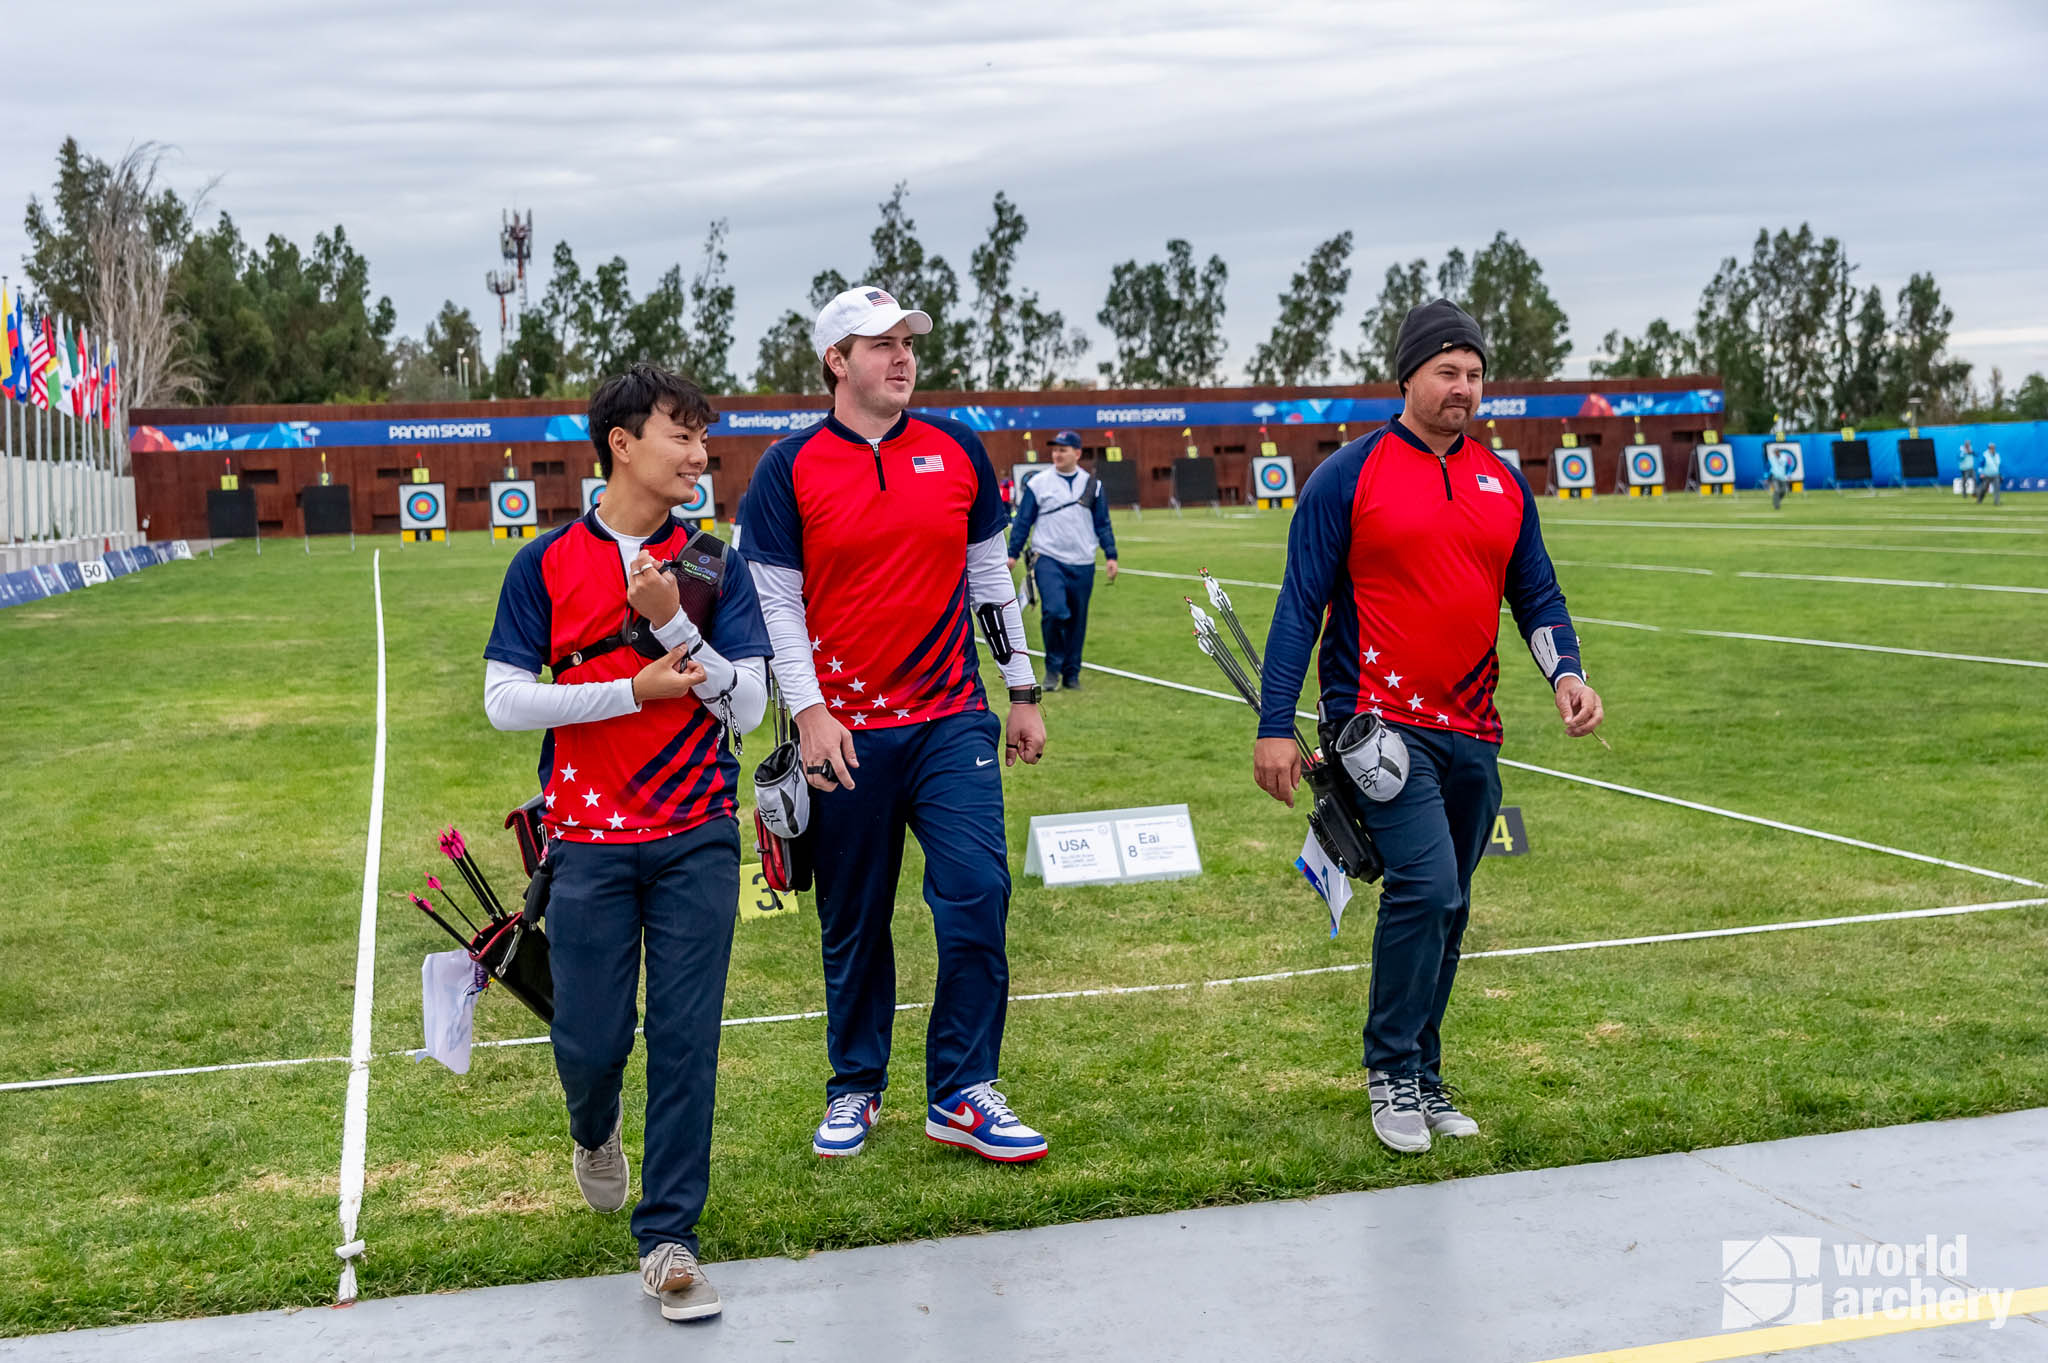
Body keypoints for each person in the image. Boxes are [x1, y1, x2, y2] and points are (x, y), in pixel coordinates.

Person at [1252, 299, 1604, 1155]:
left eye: (1476, 374)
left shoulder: (1500, 480)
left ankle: (1426, 1067)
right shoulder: (1350, 474)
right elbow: (1301, 605)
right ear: (1406, 376)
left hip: (1474, 729)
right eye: (1447, 372)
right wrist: (1275, 723)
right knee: (1427, 886)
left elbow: (1538, 594)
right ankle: (1390, 1071)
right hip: (1378, 725)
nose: (1464, 388)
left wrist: (1566, 671)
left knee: (1452, 904)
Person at [482, 363, 772, 1321]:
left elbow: (754, 703)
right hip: (589, 845)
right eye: (681, 436)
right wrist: (628, 691)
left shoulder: (716, 564)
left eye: (702, 438)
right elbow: (503, 700)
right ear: (622, 443)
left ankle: (671, 1237)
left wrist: (674, 626)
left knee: (686, 1039)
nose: (700, 454)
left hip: (696, 834)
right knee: (593, 1040)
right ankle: (593, 1128)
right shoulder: (545, 564)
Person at [736, 285, 1051, 1164]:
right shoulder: (787, 467)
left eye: (909, 340)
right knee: (853, 917)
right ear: (838, 362)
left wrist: (1021, 690)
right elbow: (778, 605)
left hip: (952, 718)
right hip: (844, 734)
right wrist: (810, 714)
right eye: (881, 344)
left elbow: (991, 579)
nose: (903, 356)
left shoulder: (956, 449)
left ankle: (962, 1090)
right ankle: (856, 1086)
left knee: (978, 893)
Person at [1007, 431, 1119, 690]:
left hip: (1083, 561)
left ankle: (1071, 674)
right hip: (1048, 558)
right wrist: (1012, 554)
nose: (1057, 454)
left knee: (1078, 620)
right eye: (1055, 450)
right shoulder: (1039, 484)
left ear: (1077, 454)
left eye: (1063, 449)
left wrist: (1111, 555)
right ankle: (1052, 668)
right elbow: (1023, 521)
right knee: (1055, 612)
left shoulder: (1093, 485)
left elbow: (1102, 523)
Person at [1768, 445, 1794, 510]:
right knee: (1777, 490)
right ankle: (1776, 505)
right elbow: (1767, 468)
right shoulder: (1771, 459)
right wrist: (1766, 476)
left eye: (1777, 452)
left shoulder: (1784, 458)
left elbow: (1789, 467)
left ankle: (1777, 500)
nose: (1776, 453)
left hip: (1783, 477)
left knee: (1783, 491)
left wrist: (1789, 475)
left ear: (1779, 452)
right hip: (1774, 477)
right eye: (1775, 452)